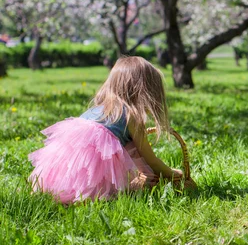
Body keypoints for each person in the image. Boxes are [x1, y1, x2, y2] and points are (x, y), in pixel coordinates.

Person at [28, 56, 183, 204]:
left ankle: (60, 191)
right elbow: (151, 159)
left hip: (67, 167)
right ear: (146, 91)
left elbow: (133, 150)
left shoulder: (99, 110)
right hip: (91, 169)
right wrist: (172, 173)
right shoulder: (132, 115)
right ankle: (98, 194)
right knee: (105, 194)